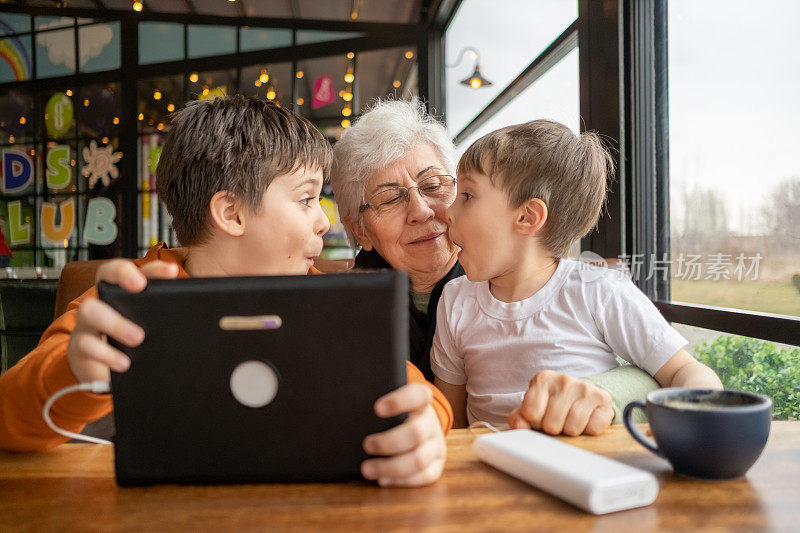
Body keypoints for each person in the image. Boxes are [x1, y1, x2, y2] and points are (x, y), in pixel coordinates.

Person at [0, 96, 451, 488]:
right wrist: (73, 372)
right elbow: (10, 419)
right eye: (306, 199)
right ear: (232, 213)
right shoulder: (130, 300)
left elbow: (413, 389)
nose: (325, 221)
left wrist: (427, 422)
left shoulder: (327, 300)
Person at [329, 99, 663, 436]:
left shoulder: (544, 278)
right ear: (359, 230)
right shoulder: (350, 314)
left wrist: (606, 394)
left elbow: (674, 373)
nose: (421, 211)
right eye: (390, 199)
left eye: (433, 186)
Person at [431, 119, 723, 430]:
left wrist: (700, 419)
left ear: (527, 216)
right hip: (487, 468)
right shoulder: (455, 298)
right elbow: (449, 420)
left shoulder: (596, 288)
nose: (448, 211)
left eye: (467, 195)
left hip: (582, 467)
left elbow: (685, 372)